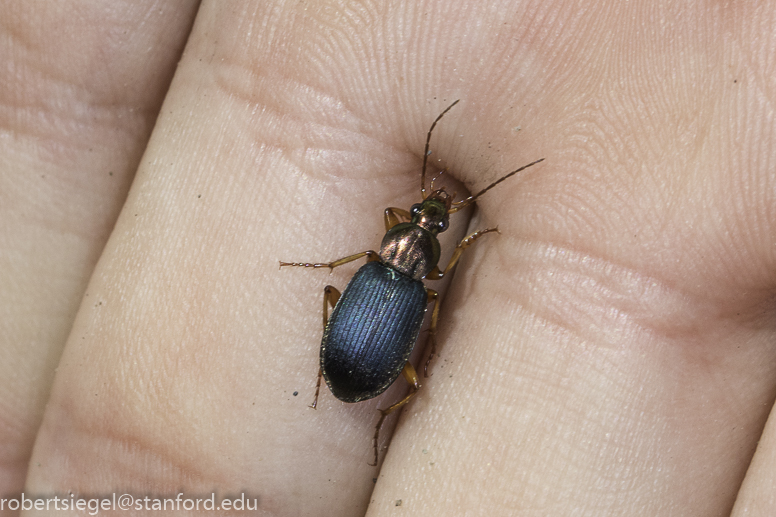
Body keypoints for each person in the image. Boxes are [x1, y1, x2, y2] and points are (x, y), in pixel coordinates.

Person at [1, 2, 774, 515]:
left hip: (370, 331)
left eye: (434, 221)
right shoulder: (412, 268)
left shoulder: (388, 259)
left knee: (404, 353)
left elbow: (410, 263)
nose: (430, 216)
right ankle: (361, 396)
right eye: (431, 219)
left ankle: (354, 389)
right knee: (411, 364)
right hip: (375, 343)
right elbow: (424, 271)